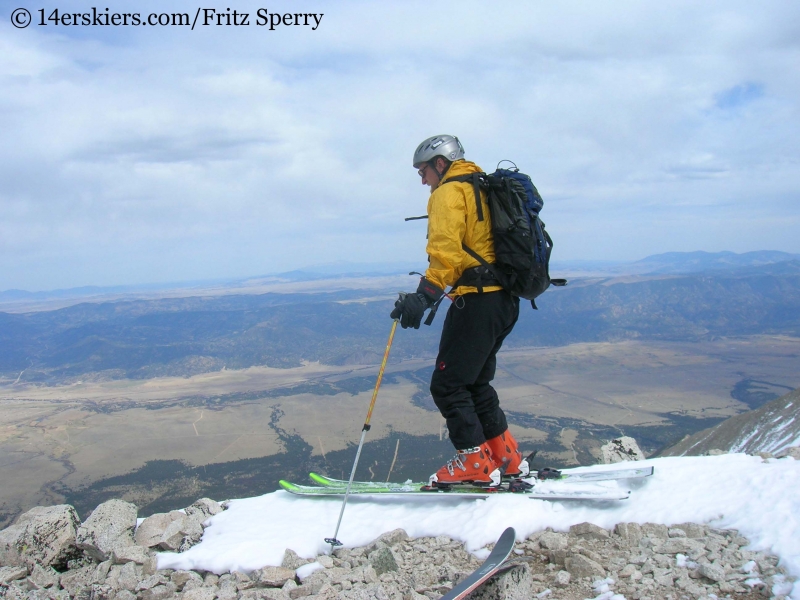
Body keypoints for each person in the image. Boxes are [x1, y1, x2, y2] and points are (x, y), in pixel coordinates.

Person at [391, 134, 529, 486]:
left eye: (423, 171)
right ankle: (505, 457)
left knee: (448, 384)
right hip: (504, 300)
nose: (422, 180)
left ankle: (474, 464)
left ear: (440, 163)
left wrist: (424, 296)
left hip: (477, 300)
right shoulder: (481, 186)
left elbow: (446, 254)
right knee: (476, 383)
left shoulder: (448, 193)